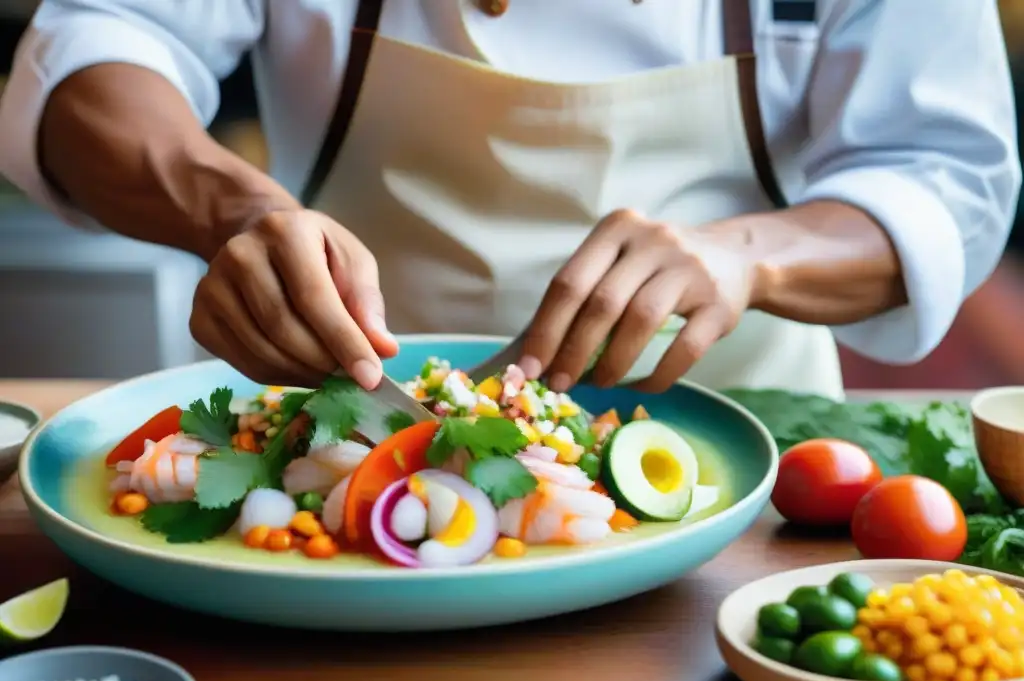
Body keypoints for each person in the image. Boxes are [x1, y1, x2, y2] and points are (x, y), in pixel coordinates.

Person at [0, 1, 1018, 399]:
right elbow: (103, 43)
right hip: (352, 430)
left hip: (750, 453)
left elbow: (946, 175)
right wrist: (234, 213)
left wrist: (748, 255)